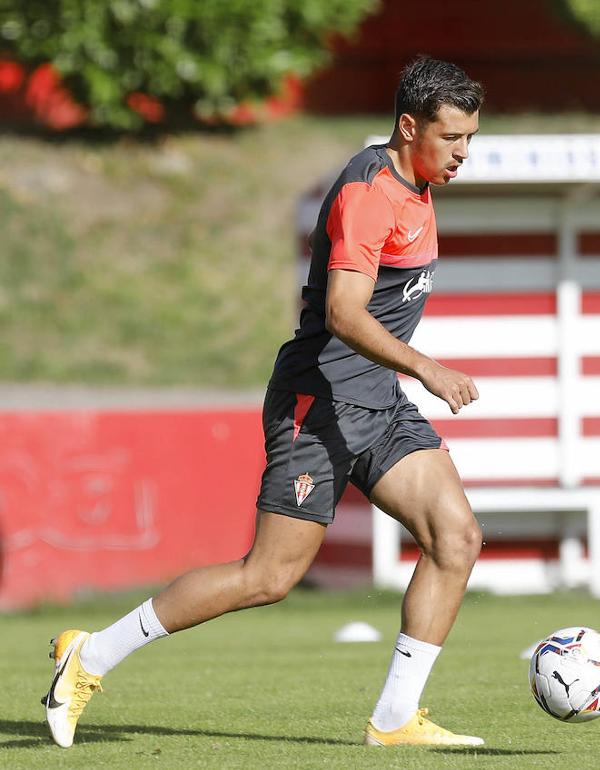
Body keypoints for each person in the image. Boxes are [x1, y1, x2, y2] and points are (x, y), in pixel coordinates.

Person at [43, 56, 487, 749]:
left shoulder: (416, 184)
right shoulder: (371, 193)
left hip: (375, 400)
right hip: (319, 399)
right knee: (268, 577)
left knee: (455, 538)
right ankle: (90, 656)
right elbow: (343, 312)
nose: (463, 154)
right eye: (452, 138)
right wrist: (426, 366)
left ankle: (396, 719)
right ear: (409, 126)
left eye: (470, 139)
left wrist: (404, 377)